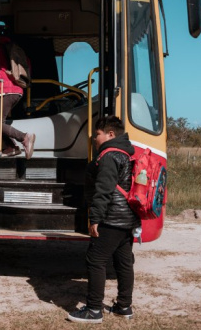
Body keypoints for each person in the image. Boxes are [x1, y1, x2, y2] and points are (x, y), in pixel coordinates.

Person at [67, 115, 140, 324]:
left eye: (97, 134)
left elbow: (104, 190)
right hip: (127, 218)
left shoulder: (109, 155)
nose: (94, 138)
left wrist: (95, 217)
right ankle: (124, 306)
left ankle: (93, 310)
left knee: (95, 260)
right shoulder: (126, 153)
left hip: (111, 218)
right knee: (123, 262)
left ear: (110, 134)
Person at [0, 35, 35, 158]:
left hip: (4, 89)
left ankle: (24, 137)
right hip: (17, 89)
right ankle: (11, 147)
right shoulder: (15, 49)